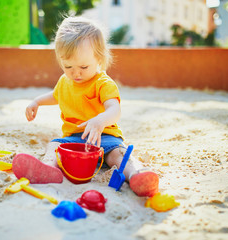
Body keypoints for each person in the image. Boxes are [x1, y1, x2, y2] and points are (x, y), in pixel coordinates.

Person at [13, 16, 159, 197]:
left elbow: (115, 109)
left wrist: (100, 121)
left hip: (104, 137)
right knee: (53, 146)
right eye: (68, 66)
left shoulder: (102, 83)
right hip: (74, 140)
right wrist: (36, 102)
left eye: (83, 66)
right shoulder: (65, 81)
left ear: (99, 58)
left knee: (118, 155)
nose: (76, 73)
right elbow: (55, 96)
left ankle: (138, 174)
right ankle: (48, 168)